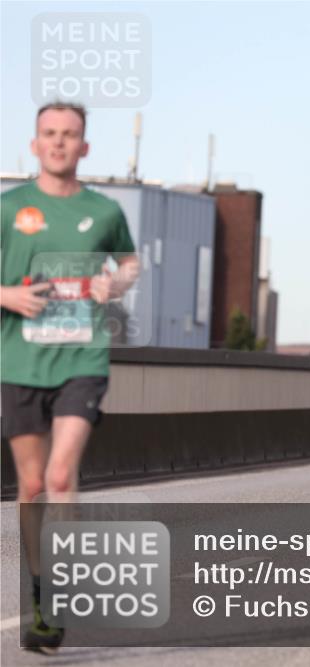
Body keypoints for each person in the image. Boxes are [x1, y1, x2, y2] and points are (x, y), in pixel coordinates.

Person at [2, 102, 140, 654]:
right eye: (49, 134)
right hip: (18, 362)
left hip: (82, 359)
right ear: (34, 144)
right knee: (32, 488)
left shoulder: (103, 212)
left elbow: (129, 262)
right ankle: (44, 594)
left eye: (70, 135)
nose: (59, 143)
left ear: (84, 148)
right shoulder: (9, 208)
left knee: (61, 478)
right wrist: (7, 294)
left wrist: (118, 283)